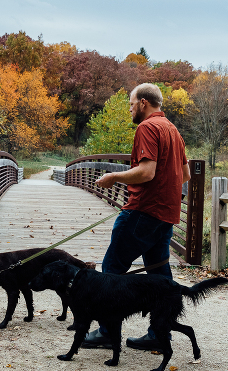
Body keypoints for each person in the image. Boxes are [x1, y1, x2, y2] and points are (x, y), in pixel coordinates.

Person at [82, 83, 191, 351]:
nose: (130, 109)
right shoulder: (174, 131)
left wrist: (113, 177)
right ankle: (159, 333)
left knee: (112, 269)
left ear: (143, 103)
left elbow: (146, 172)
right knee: (159, 275)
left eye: (131, 104)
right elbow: (186, 175)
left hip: (142, 211)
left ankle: (108, 332)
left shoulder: (147, 127)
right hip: (166, 215)